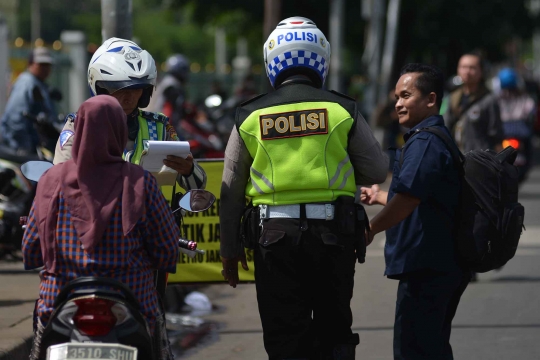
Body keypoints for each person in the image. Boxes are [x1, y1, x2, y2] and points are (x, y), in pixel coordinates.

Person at [220, 17, 388, 359]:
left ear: (272, 62)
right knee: (334, 330)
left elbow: (230, 191)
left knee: (284, 336)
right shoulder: (342, 109)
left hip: (273, 240)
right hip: (332, 237)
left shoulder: (249, 116)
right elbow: (376, 169)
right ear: (321, 60)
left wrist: (228, 251)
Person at [23, 96, 180, 360]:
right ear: (119, 131)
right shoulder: (141, 181)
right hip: (135, 301)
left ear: (80, 129)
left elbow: (30, 251)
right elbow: (166, 251)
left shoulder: (50, 181)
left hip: (57, 302)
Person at [361, 64, 471, 359]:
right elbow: (422, 197)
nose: (398, 103)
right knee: (431, 347)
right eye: (397, 96)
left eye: (406, 95)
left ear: (431, 99)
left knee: (414, 350)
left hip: (428, 267)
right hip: (436, 264)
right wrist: (381, 196)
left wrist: (371, 229)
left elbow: (409, 198)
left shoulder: (425, 142)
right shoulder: (432, 137)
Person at [53, 38, 206, 191]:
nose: (129, 98)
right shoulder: (79, 127)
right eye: (121, 90)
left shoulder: (158, 127)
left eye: (136, 90)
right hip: (98, 213)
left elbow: (199, 186)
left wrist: (189, 170)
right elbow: (61, 181)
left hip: (150, 213)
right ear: (101, 88)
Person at [1, 47, 59, 154]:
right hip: (19, 148)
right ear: (30, 64)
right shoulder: (27, 83)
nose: (45, 68)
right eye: (41, 64)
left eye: (47, 65)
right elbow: (15, 118)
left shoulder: (39, 84)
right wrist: (24, 147)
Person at [443, 51, 504, 152]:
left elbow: (496, 135)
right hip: (456, 158)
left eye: (472, 68)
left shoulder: (489, 99)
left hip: (480, 160)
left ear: (481, 71)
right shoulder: (452, 98)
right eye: (463, 67)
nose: (467, 71)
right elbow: (445, 126)